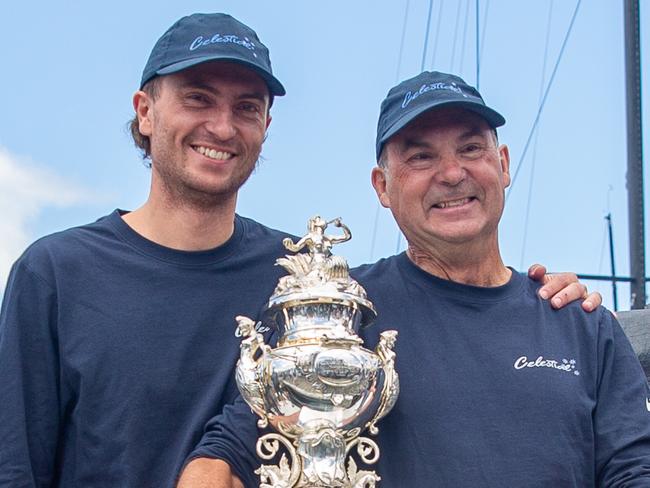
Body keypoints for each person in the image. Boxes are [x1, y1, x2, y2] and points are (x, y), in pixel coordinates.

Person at [0, 12, 597, 486]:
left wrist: (541, 306)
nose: (223, 127)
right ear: (145, 112)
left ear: (265, 127)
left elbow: (456, 312)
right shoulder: (56, 273)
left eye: (247, 108)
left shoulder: (317, 280)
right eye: (198, 98)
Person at [179, 71, 650, 487]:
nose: (451, 173)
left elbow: (634, 469)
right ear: (382, 187)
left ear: (503, 164)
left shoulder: (583, 325)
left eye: (470, 149)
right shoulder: (342, 316)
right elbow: (226, 456)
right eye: (421, 158)